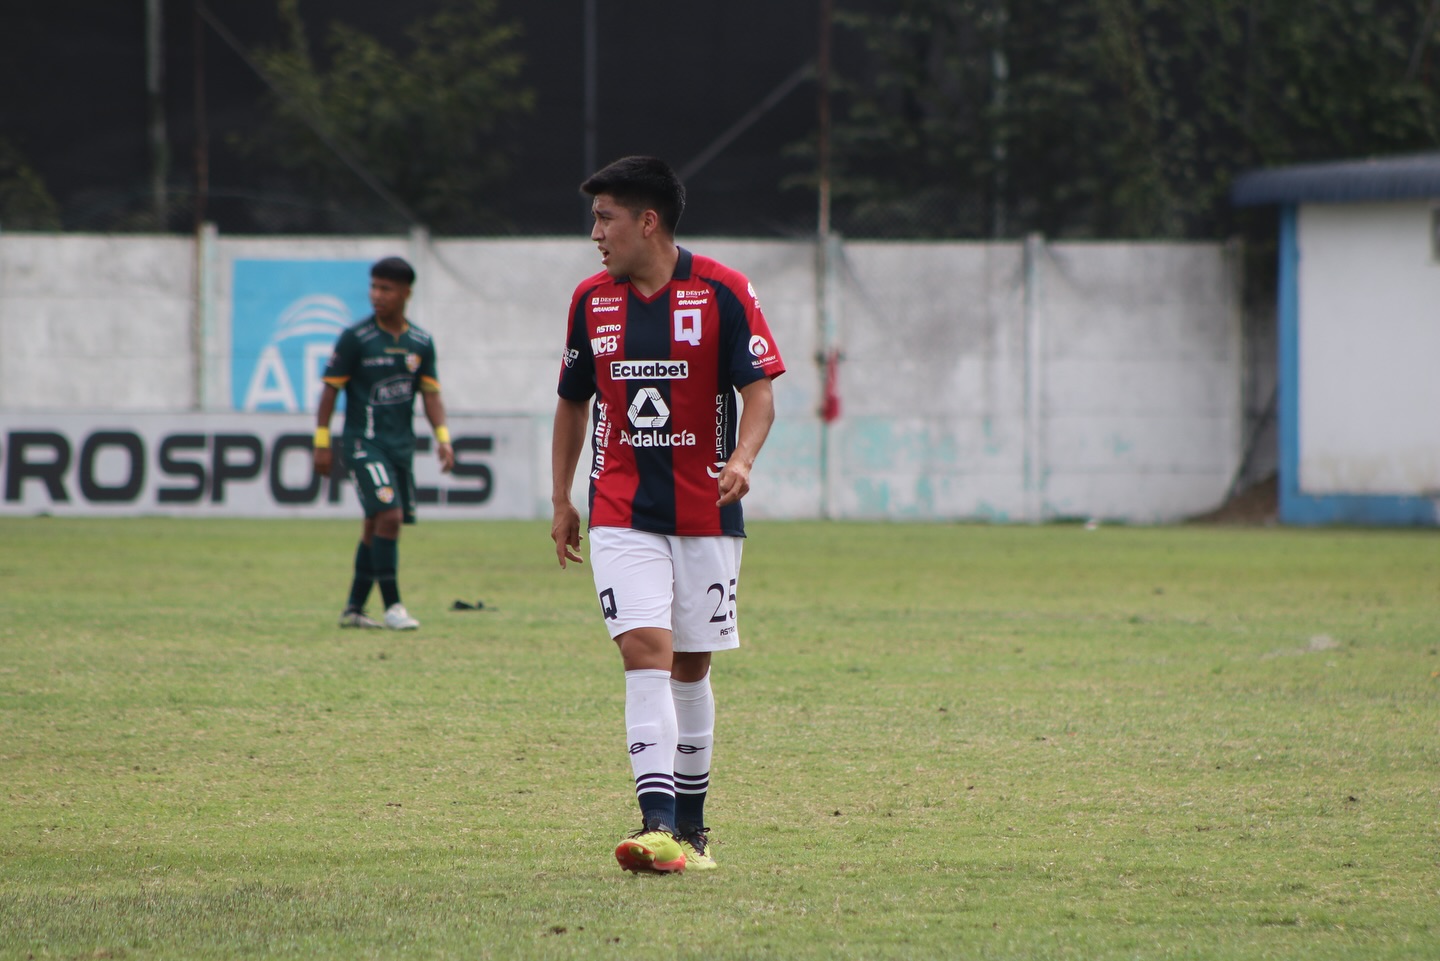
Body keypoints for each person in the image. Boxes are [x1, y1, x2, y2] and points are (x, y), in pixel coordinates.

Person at [550, 156, 786, 873]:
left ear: (646, 221)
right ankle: (654, 823)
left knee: (691, 664)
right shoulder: (591, 300)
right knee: (642, 650)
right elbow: (572, 400)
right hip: (621, 507)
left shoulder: (723, 290)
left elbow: (761, 392)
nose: (596, 233)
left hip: (707, 512)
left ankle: (692, 828)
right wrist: (561, 495)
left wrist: (742, 458)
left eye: (605, 217)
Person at [313, 255, 454, 631]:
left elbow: (431, 395)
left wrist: (443, 437)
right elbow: (329, 393)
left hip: (400, 446)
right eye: (374, 287)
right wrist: (321, 442)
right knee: (389, 516)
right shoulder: (356, 338)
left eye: (386, 289)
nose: (377, 295)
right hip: (363, 442)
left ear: (406, 292)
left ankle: (354, 610)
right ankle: (394, 607)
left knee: (375, 524)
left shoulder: (420, 343)